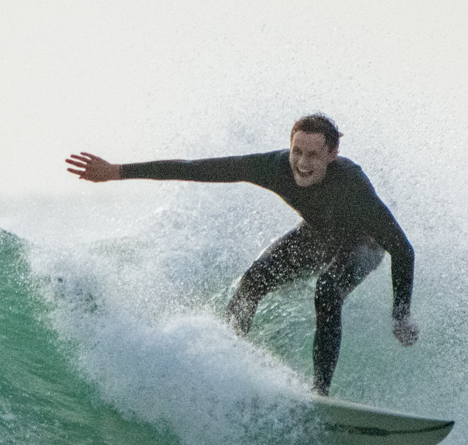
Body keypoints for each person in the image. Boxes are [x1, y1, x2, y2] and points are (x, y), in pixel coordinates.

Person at [64, 113, 419, 396]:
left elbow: (403, 249)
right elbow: (196, 169)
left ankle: (320, 392)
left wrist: (400, 314)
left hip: (364, 245)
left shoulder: (353, 186)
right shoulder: (273, 167)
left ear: (332, 155)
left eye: (313, 155)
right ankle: (227, 360)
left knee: (327, 290)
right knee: (253, 281)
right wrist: (118, 172)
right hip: (317, 235)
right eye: (297, 151)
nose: (302, 163)